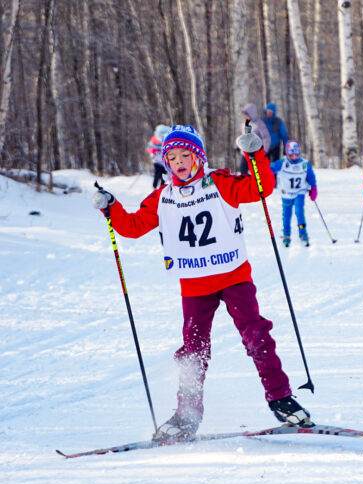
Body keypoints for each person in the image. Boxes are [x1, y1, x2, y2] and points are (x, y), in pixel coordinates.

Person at [92, 124, 312, 441]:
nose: (179, 162)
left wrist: (255, 155)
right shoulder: (162, 197)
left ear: (198, 156)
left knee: (256, 335)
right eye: (172, 157)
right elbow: (133, 226)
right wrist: (111, 207)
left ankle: (281, 399)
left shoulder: (220, 182)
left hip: (234, 276)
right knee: (193, 350)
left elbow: (260, 188)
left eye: (185, 155)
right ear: (165, 163)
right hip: (194, 285)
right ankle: (187, 414)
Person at [270, 140, 317, 247]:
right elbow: (269, 170)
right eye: (291, 154)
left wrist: (313, 188)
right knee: (286, 215)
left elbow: (311, 176)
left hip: (300, 192)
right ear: (287, 153)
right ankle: (286, 234)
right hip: (286, 193)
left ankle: (303, 233)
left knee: (299, 212)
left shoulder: (304, 164)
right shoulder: (282, 163)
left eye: (296, 154)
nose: (294, 156)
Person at [239, 103, 271, 175]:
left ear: (251, 114)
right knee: (243, 170)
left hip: (256, 153)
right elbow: (240, 135)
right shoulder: (243, 124)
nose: (244, 116)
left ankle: (257, 184)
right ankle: (246, 184)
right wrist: (237, 145)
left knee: (256, 172)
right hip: (245, 152)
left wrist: (265, 150)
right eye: (244, 114)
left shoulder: (259, 124)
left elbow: (266, 137)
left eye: (246, 114)